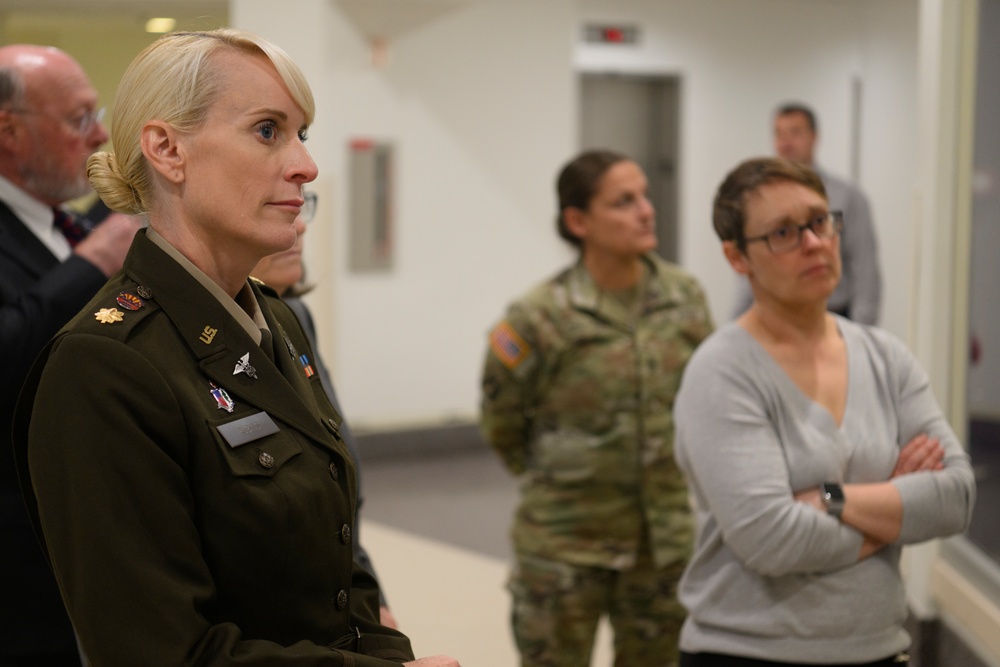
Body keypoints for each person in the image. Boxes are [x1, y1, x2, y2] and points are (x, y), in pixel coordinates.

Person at [12, 28, 459, 667]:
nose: (305, 165)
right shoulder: (106, 366)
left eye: (303, 134)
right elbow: (158, 653)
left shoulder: (277, 320)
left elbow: (338, 561)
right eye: (268, 130)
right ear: (168, 150)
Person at [673, 157, 976, 666]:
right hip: (749, 653)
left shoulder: (886, 358)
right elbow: (772, 541)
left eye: (819, 221)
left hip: (879, 649)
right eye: (783, 233)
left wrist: (831, 497)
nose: (814, 243)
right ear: (737, 257)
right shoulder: (722, 372)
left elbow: (955, 498)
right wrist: (896, 508)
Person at [480, 149, 714, 666]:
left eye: (645, 196)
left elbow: (708, 401)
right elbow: (501, 419)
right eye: (624, 201)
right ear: (578, 220)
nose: (646, 210)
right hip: (565, 545)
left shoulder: (685, 299)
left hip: (662, 545)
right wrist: (559, 478)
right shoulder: (539, 316)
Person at [0, 44, 142, 666]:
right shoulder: (87, 244)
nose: (100, 134)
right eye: (78, 118)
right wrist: (92, 265)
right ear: (8, 131)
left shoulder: (72, 223)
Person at [250, 193, 398, 630]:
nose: (299, 228)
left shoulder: (295, 318)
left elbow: (339, 498)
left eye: (301, 208)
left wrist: (373, 606)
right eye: (271, 205)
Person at [731, 102, 881, 324]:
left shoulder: (848, 197)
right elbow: (751, 269)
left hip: (834, 317)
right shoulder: (760, 202)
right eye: (779, 134)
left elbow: (865, 273)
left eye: (795, 132)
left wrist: (861, 338)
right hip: (777, 321)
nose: (786, 142)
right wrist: (734, 328)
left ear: (814, 137)